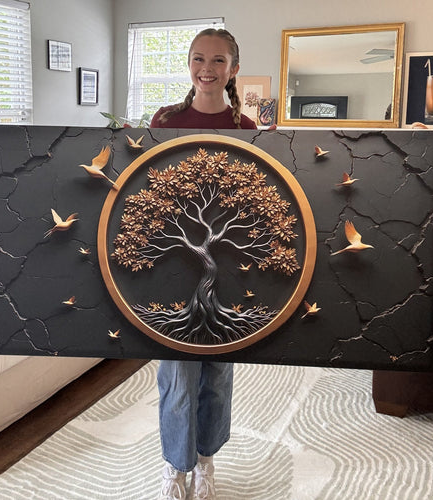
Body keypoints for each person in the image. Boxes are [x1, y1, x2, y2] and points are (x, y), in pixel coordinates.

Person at [150, 28, 257, 500]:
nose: (206, 69)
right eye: (198, 58)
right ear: (188, 63)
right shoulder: (165, 119)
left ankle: (206, 461)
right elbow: (148, 182)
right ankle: (177, 465)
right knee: (177, 373)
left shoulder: (247, 127)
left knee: (217, 373)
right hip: (175, 257)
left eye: (218, 60)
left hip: (228, 258)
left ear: (233, 68)